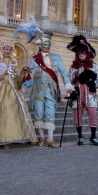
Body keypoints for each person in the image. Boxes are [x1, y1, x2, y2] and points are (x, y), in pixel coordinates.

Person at [17, 19, 73, 148]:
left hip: (52, 91)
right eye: (46, 44)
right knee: (38, 114)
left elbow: (63, 72)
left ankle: (50, 139)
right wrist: (27, 73)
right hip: (38, 90)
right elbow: (29, 77)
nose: (48, 46)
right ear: (40, 46)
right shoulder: (34, 60)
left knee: (50, 114)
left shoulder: (57, 57)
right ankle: (41, 138)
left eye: (49, 43)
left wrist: (68, 85)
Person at [0, 37, 37, 149]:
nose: (8, 52)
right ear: (1, 49)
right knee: (1, 112)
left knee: (14, 112)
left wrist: (24, 72)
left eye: (10, 50)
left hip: (13, 90)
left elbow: (17, 78)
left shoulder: (14, 62)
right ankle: (2, 139)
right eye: (6, 49)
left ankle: (14, 137)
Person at [67, 35, 98, 146]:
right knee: (77, 117)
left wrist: (91, 83)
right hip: (77, 94)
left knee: (93, 114)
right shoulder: (73, 67)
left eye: (84, 52)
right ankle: (80, 137)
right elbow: (69, 80)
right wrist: (72, 87)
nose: (81, 54)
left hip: (89, 94)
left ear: (87, 54)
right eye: (80, 52)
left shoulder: (93, 66)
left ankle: (93, 137)